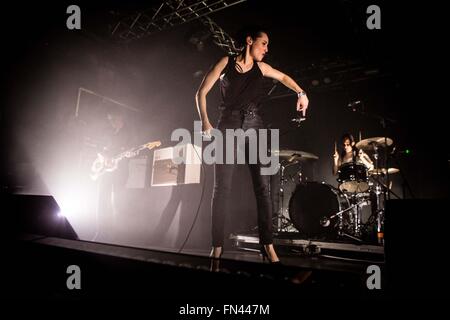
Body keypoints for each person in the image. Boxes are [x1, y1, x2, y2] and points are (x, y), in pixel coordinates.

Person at [195, 27, 309, 263]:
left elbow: (284, 77)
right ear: (249, 41)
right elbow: (201, 93)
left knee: (263, 189)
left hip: (255, 126)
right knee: (221, 190)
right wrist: (205, 122)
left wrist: (301, 92)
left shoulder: (262, 69)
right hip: (227, 125)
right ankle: (217, 246)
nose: (267, 49)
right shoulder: (226, 63)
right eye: (264, 43)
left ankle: (267, 246)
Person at [94, 108, 135, 241]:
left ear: (120, 118)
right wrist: (104, 156)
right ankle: (101, 231)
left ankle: (117, 235)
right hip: (105, 171)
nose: (111, 122)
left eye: (113, 119)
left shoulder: (129, 133)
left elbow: (133, 150)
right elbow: (98, 148)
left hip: (120, 171)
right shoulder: (107, 131)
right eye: (109, 120)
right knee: (102, 200)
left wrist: (130, 153)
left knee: (118, 201)